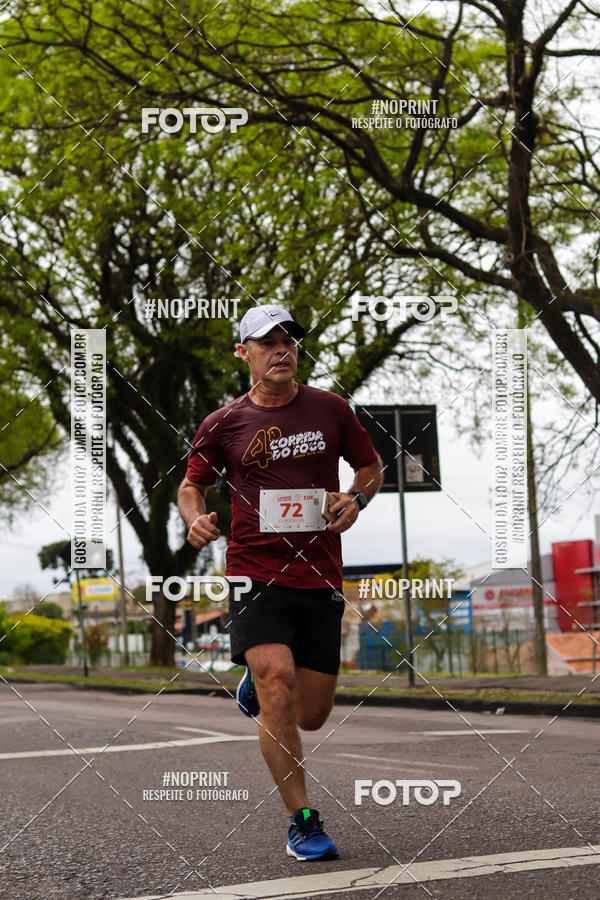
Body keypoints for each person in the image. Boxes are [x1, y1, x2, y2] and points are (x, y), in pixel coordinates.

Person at [178, 305, 383, 861]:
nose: (282, 349)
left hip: (319, 575)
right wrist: (193, 517)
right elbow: (190, 485)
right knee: (277, 684)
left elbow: (371, 466)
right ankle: (303, 822)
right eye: (267, 342)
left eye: (289, 339)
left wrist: (356, 498)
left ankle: (256, 687)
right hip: (253, 570)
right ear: (243, 353)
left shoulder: (331, 408)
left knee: (310, 714)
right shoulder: (222, 423)